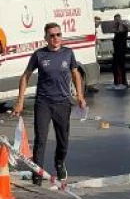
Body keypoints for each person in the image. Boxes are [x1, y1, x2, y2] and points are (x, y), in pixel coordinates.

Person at [12, 22, 87, 185]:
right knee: (40, 140)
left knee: (63, 140)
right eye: (52, 35)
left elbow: (75, 74)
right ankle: (37, 175)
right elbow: (25, 76)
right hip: (43, 102)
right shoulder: (39, 55)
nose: (55, 38)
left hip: (62, 103)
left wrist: (80, 95)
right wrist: (20, 101)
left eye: (58, 35)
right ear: (46, 38)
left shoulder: (68, 53)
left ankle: (59, 163)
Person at [111, 14, 128, 90]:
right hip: (116, 50)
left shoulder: (123, 26)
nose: (116, 21)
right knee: (115, 66)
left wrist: (120, 23)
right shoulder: (117, 27)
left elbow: (121, 31)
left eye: (118, 19)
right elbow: (114, 30)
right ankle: (117, 82)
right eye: (115, 19)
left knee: (121, 67)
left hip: (121, 50)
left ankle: (122, 83)